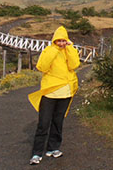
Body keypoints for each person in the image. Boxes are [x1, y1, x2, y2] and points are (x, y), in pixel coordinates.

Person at [27, 26, 80, 165]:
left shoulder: (69, 50)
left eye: (64, 40)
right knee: (43, 123)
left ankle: (53, 148)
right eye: (59, 41)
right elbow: (42, 67)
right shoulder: (49, 50)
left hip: (65, 92)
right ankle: (37, 153)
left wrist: (70, 48)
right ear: (54, 40)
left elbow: (74, 65)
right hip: (50, 93)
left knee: (58, 122)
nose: (61, 43)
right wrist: (55, 49)